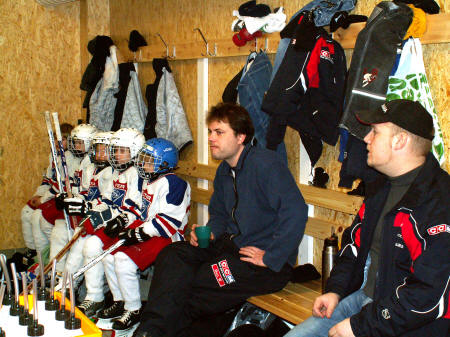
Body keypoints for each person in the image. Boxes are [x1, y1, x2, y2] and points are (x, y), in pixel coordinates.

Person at [133, 102, 308, 337]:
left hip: (264, 263)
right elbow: (219, 215)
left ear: (241, 136)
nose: (211, 138)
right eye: (210, 132)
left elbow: (296, 210)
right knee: (173, 255)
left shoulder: (266, 164)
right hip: (230, 246)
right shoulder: (225, 170)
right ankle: (149, 331)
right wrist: (210, 232)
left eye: (219, 132)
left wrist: (272, 256)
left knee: (202, 280)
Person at [284, 99, 450, 337]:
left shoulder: (439, 203)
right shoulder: (379, 186)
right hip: (365, 301)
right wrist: (336, 290)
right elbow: (354, 246)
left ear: (399, 140)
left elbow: (428, 295)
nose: (366, 139)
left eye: (375, 131)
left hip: (407, 324)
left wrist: (360, 327)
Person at [98, 138, 191, 331]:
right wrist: (123, 221)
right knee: (108, 255)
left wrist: (138, 233)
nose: (143, 164)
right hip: (149, 230)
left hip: (168, 237)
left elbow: (168, 222)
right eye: (143, 160)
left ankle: (134, 309)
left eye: (149, 161)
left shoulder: (174, 184)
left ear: (164, 163)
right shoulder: (149, 180)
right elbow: (138, 210)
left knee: (123, 260)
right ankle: (121, 301)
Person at [77, 127, 145, 317]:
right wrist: (92, 211)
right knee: (89, 245)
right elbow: (107, 200)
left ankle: (109, 299)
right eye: (115, 150)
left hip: (130, 225)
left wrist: (117, 219)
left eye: (122, 151)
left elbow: (136, 208)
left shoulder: (137, 174)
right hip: (117, 220)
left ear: (135, 151)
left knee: (94, 246)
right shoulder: (116, 172)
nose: (116, 155)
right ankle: (95, 296)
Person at [20, 123, 73, 266]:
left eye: (62, 139)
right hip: (50, 192)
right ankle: (33, 251)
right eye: (56, 139)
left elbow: (60, 185)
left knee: (38, 216)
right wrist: (37, 196)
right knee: (26, 212)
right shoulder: (53, 155)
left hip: (60, 196)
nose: (58, 143)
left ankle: (46, 255)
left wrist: (43, 200)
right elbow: (48, 180)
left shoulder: (69, 157)